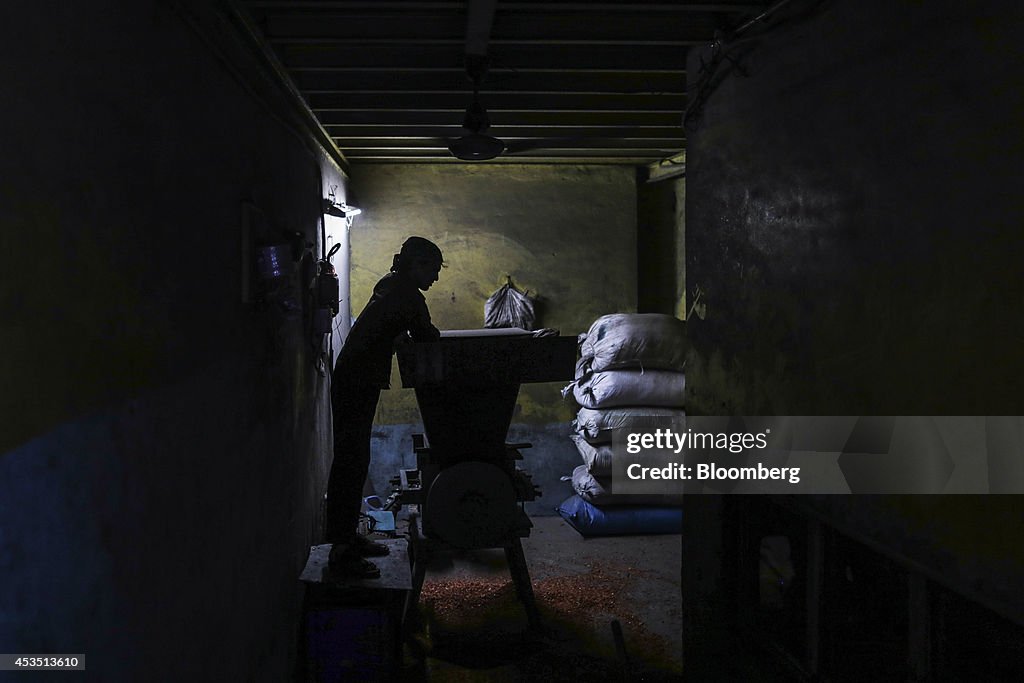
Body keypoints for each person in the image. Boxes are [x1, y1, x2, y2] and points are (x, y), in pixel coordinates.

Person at [325, 236, 443, 578]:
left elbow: (389, 325)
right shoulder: (407, 295)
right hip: (357, 381)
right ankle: (341, 551)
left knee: (355, 459)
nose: (435, 278)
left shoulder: (391, 285)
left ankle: (347, 538)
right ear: (416, 264)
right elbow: (428, 337)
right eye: (432, 270)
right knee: (350, 461)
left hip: (354, 377)